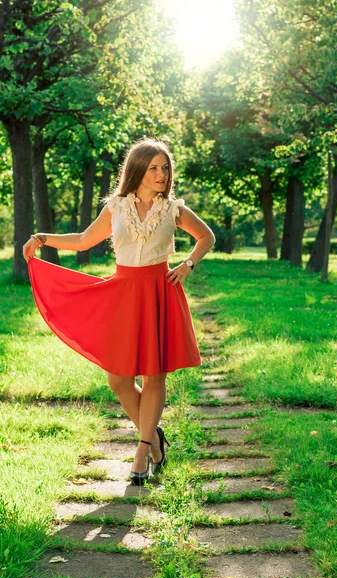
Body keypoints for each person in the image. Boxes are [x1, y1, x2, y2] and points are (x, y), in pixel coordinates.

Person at [23, 138, 216, 486]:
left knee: (154, 375)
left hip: (159, 292)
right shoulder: (116, 207)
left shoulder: (173, 209)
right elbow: (83, 239)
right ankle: (155, 437)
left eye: (165, 167)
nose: (162, 173)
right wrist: (42, 238)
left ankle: (143, 450)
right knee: (119, 380)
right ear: (138, 170)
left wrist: (187, 264)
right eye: (154, 167)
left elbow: (206, 236)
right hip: (123, 294)